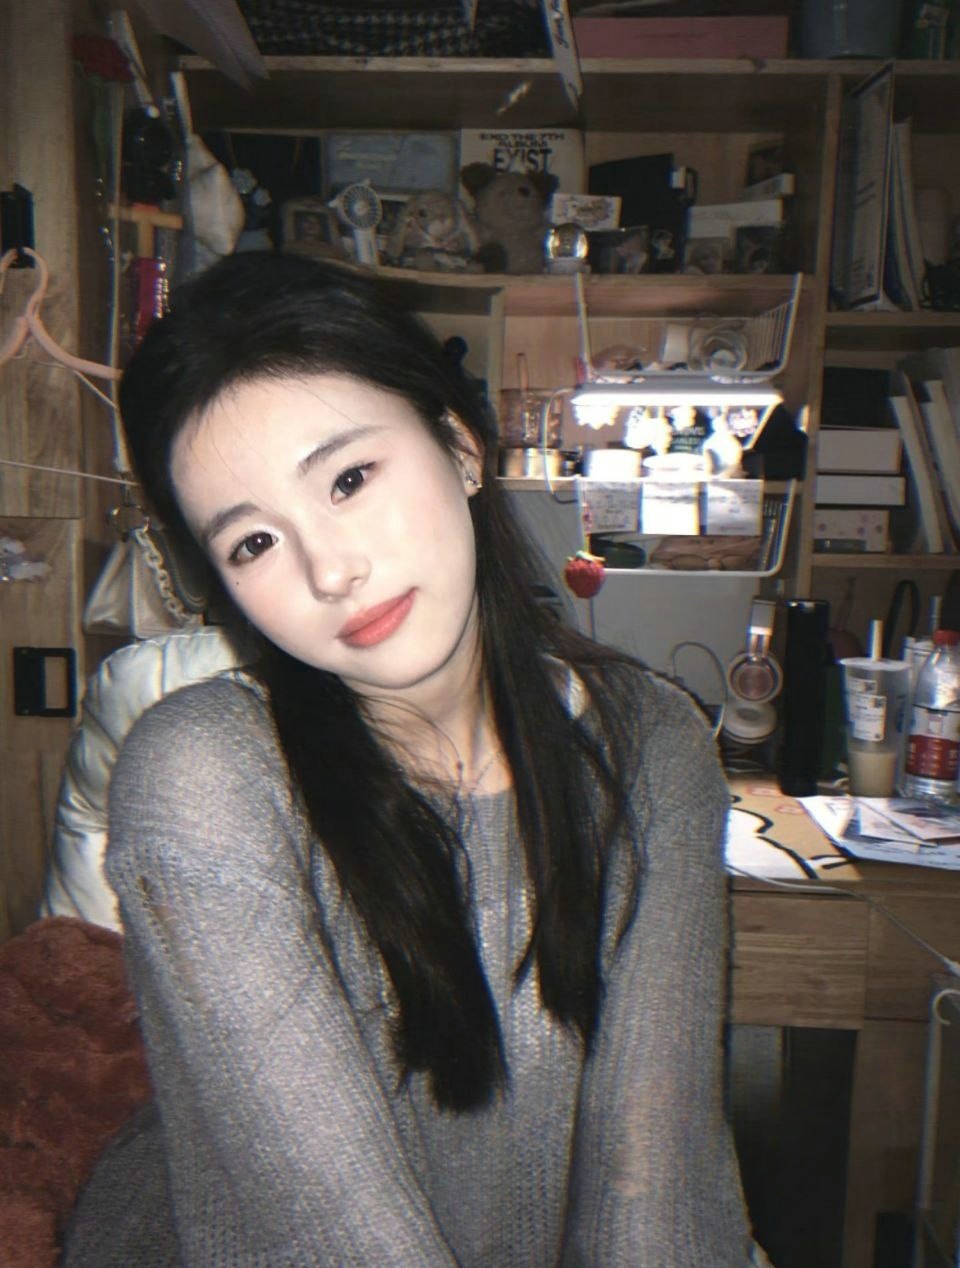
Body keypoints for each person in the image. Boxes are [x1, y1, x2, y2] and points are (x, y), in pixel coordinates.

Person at [63, 251, 770, 1267]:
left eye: (349, 479)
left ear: (460, 447)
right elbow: (321, 1234)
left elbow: (656, 1187)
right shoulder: (203, 777)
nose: (330, 570)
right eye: (254, 543)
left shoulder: (650, 742)